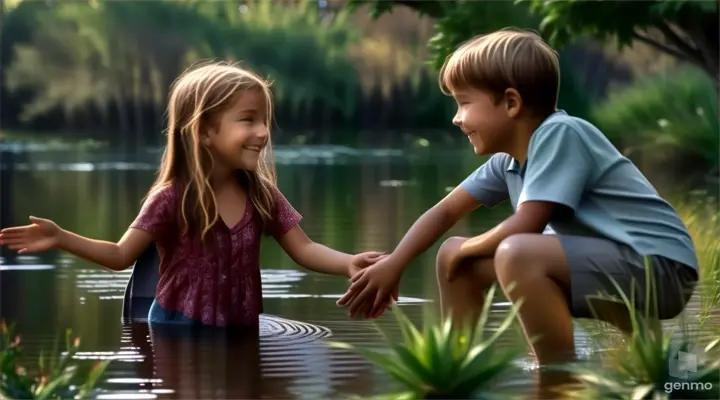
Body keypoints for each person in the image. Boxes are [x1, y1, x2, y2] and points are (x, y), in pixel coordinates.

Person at [337, 28, 698, 394]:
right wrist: (396, 263)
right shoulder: (507, 162)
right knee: (455, 255)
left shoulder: (561, 133)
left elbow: (528, 223)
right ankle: (461, 375)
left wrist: (465, 249)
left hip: (660, 269)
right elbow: (444, 213)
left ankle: (556, 379)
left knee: (516, 252)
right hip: (611, 268)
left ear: (511, 103)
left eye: (463, 103)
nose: (456, 118)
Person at [0, 61, 394, 328]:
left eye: (264, 121)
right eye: (248, 120)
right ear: (204, 131)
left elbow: (305, 249)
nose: (262, 132)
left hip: (241, 330)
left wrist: (348, 263)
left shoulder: (262, 196)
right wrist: (60, 237)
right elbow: (121, 256)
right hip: (175, 330)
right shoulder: (171, 198)